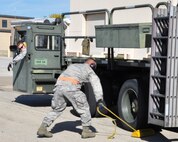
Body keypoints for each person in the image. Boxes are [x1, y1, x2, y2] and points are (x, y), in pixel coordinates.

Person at [37, 57, 105, 138]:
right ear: (92, 65)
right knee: (84, 108)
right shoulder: (89, 69)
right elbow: (96, 84)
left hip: (59, 88)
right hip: (72, 89)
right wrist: (99, 99)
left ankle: (43, 128)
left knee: (56, 109)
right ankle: (86, 131)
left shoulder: (73, 66)